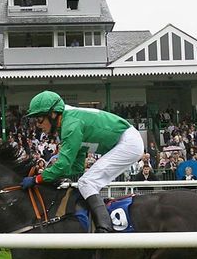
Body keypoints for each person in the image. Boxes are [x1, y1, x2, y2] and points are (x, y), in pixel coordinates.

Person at [21, 91, 144, 232]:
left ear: (53, 114)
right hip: (126, 141)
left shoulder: (70, 125)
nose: (37, 125)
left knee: (87, 182)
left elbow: (63, 165)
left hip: (129, 143)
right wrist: (52, 176)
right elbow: (77, 167)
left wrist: (38, 179)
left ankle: (105, 229)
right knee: (85, 182)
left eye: (39, 119)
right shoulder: (66, 123)